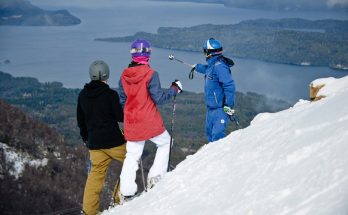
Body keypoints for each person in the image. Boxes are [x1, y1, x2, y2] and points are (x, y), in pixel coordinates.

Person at [118, 39, 182, 201]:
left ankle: (126, 190)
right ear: (148, 54)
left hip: (132, 121)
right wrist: (174, 90)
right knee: (166, 142)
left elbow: (123, 101)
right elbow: (159, 98)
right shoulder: (151, 74)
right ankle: (155, 176)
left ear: (132, 54)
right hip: (149, 120)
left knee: (132, 155)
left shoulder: (124, 76)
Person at [77, 60, 126, 215]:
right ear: (106, 75)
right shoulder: (111, 94)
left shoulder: (83, 95)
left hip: (95, 145)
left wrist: (86, 139)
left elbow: (81, 121)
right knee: (132, 161)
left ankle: (88, 211)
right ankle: (119, 198)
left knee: (95, 177)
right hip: (115, 142)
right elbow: (120, 117)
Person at [193, 38, 236, 143]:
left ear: (208, 52)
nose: (204, 53)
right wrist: (197, 67)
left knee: (217, 138)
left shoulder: (220, 66)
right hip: (211, 108)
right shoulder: (213, 64)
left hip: (220, 109)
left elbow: (229, 85)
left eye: (205, 51)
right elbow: (208, 70)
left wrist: (228, 105)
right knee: (209, 134)